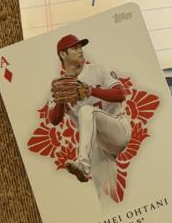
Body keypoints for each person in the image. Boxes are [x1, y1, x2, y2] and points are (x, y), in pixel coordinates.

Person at [48, 34, 130, 197]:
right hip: (98, 145)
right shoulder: (59, 86)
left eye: (81, 47)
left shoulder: (99, 69)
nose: (80, 50)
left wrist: (92, 90)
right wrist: (61, 100)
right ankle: (83, 169)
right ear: (63, 54)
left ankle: (83, 164)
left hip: (118, 130)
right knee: (106, 198)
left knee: (85, 110)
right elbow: (54, 120)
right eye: (75, 48)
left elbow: (121, 94)